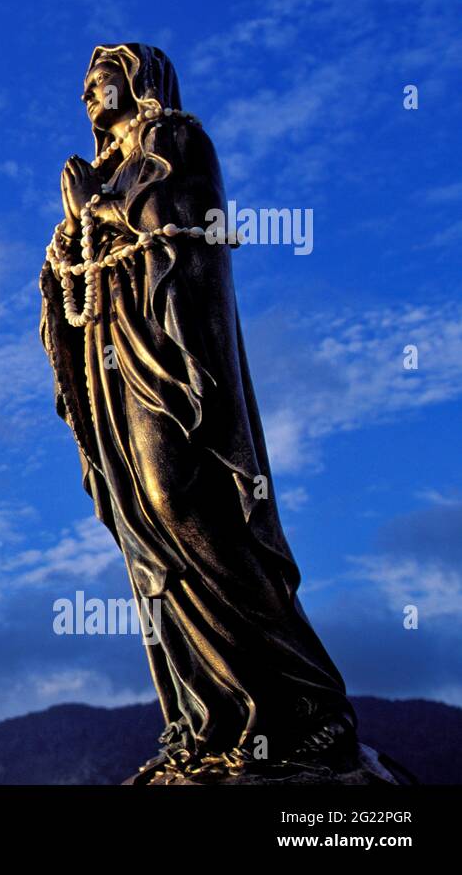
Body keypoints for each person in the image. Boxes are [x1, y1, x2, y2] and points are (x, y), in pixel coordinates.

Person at [39, 43, 356, 780]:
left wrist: (98, 209)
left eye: (103, 79)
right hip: (112, 355)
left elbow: (178, 220)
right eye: (83, 86)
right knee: (143, 532)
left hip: (168, 357)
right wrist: (65, 254)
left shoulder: (175, 138)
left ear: (140, 80)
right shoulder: (97, 173)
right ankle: (209, 717)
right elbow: (79, 276)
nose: (91, 94)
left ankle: (303, 703)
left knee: (182, 503)